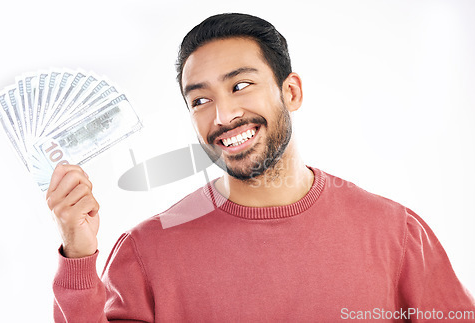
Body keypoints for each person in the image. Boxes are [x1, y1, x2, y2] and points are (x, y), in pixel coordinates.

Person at [48, 13, 475, 322]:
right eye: (200, 100)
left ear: (291, 92)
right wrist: (79, 254)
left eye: (241, 85)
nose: (222, 115)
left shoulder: (395, 233)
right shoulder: (145, 251)